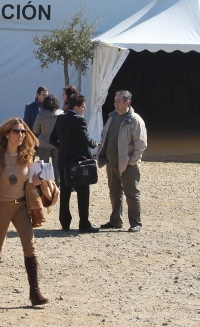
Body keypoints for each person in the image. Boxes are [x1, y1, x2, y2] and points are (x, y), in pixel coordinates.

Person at [0, 117, 49, 307]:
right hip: (0, 205)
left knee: (30, 246)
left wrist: (38, 183)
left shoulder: (27, 157)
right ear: (7, 134)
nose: (21, 135)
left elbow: (37, 181)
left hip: (21, 206)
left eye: (23, 131)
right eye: (17, 131)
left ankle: (35, 292)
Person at [97, 90, 147, 233]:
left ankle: (135, 223)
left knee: (132, 194)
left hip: (128, 165)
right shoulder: (112, 117)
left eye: (118, 101)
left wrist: (132, 161)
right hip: (111, 163)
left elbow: (141, 144)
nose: (115, 104)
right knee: (114, 193)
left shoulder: (135, 120)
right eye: (115, 101)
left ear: (127, 103)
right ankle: (115, 221)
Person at [50, 94, 99, 233]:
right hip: (78, 163)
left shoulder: (60, 118)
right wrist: (94, 144)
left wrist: (63, 148)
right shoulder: (79, 120)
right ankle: (84, 223)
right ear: (76, 107)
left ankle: (65, 223)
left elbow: (52, 139)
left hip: (63, 162)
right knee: (83, 194)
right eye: (83, 106)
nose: (85, 108)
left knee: (65, 194)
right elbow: (85, 138)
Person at [32, 94, 63, 185]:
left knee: (44, 167)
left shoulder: (41, 114)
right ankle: (58, 184)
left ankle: (45, 186)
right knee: (57, 166)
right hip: (57, 143)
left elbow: (35, 130)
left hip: (44, 143)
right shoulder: (61, 114)